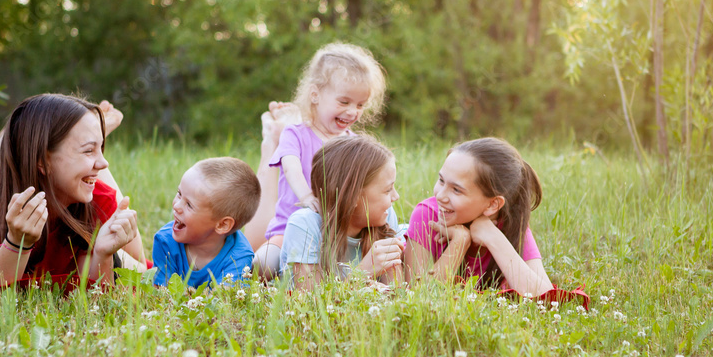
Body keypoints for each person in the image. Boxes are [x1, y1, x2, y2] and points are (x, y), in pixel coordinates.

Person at [0, 94, 142, 297]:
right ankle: (4, 148)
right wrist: (16, 243)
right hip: (6, 206)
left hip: (50, 172)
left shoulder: (97, 198)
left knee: (137, 267)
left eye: (100, 148)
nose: (104, 163)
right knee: (1, 186)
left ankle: (20, 141)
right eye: (88, 150)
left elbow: (98, 298)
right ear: (43, 160)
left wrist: (103, 254)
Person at [247, 43, 388, 279]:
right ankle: (274, 128)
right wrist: (307, 197)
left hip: (334, 234)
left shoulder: (352, 144)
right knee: (263, 263)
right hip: (289, 230)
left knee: (337, 269)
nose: (353, 112)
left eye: (360, 105)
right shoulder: (296, 134)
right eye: (344, 102)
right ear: (315, 95)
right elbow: (291, 167)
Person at [404, 137, 588, 308]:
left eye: (456, 190)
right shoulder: (426, 216)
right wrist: (460, 242)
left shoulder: (510, 224)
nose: (440, 195)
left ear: (493, 204)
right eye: (441, 180)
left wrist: (492, 236)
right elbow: (418, 297)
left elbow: (545, 299)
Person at [281, 135, 405, 291]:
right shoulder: (305, 225)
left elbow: (398, 294)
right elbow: (310, 304)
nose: (396, 197)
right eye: (388, 190)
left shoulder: (385, 216)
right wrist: (362, 272)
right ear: (353, 197)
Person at [152, 157, 261, 289]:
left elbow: (221, 303)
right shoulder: (165, 242)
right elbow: (160, 296)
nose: (176, 206)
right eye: (179, 194)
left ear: (222, 225)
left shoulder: (238, 257)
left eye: (189, 205)